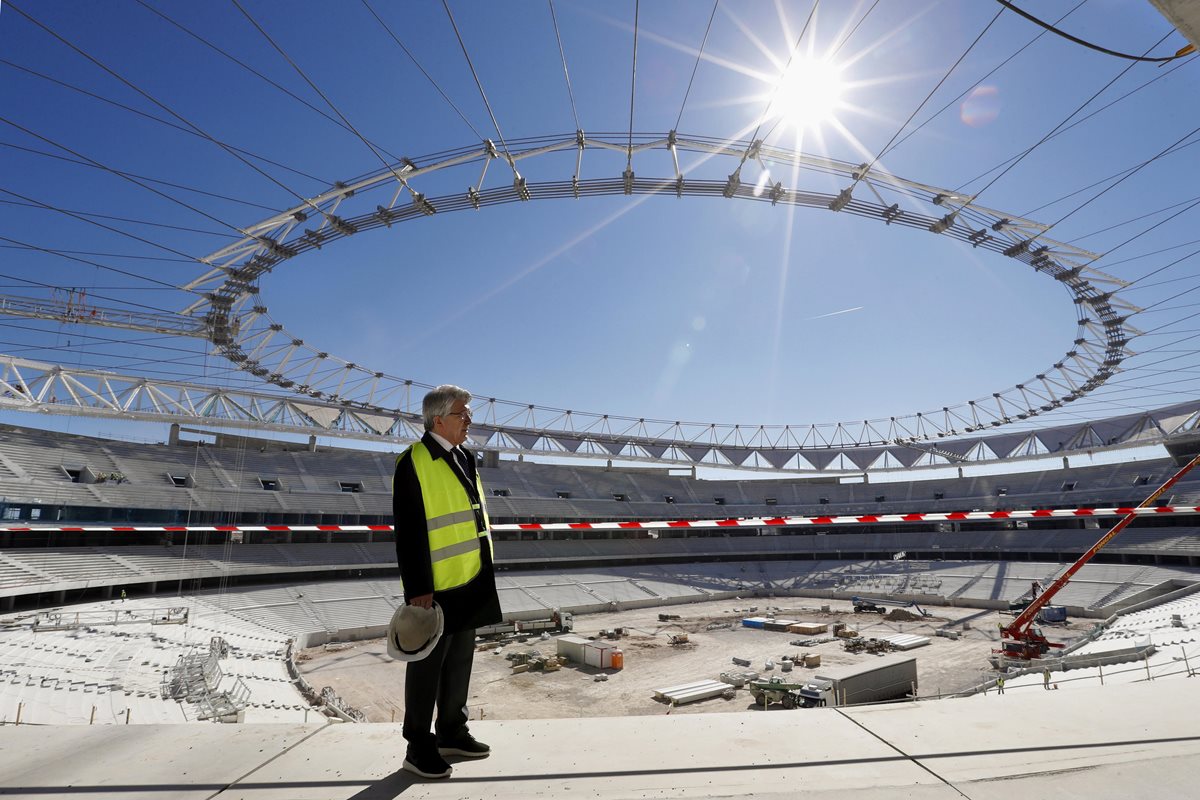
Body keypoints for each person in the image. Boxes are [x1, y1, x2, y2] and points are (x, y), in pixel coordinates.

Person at [393, 384, 501, 780]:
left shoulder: (465, 458)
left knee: (459, 663)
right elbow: (409, 530)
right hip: (435, 587)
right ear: (438, 419)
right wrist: (418, 588)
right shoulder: (414, 462)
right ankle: (418, 746)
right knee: (426, 666)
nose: (469, 419)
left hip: (470, 576)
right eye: (463, 414)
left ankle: (452, 732)